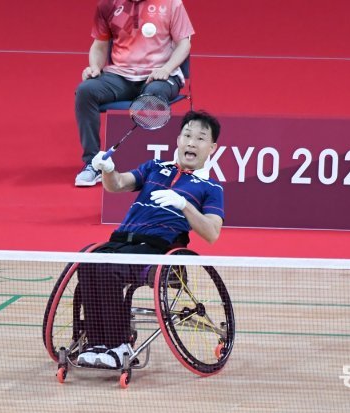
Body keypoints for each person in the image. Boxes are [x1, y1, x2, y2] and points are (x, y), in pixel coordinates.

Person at [76, 110, 223, 369]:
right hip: (121, 242)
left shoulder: (211, 188)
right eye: (187, 135)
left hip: (157, 251)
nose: (191, 142)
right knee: (87, 265)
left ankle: (118, 346)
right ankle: (97, 344)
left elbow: (212, 233)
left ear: (212, 147)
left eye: (200, 138)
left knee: (109, 271)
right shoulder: (154, 168)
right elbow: (118, 184)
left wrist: (184, 205)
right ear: (177, 139)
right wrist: (109, 170)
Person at [74, 0, 195, 186]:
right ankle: (93, 162)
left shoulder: (171, 3)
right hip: (120, 76)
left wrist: (166, 68)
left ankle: (155, 166)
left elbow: (183, 44)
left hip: (160, 77)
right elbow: (99, 45)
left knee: (152, 96)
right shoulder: (108, 5)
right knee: (86, 91)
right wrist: (94, 68)